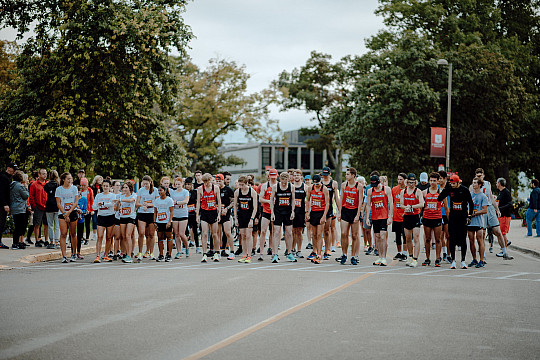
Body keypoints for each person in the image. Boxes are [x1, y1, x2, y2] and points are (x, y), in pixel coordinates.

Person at [473, 168, 513, 259]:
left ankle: (504, 252)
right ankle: (482, 254)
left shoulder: (487, 184)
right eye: (478, 176)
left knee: (498, 231)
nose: (479, 177)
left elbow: (491, 197)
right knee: (482, 233)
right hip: (481, 209)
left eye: (481, 176)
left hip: (490, 208)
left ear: (483, 175)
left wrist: (497, 209)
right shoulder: (473, 185)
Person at [438, 175, 474, 269]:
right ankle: (453, 260)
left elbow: (471, 203)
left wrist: (469, 215)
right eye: (451, 183)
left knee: (463, 240)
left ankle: (463, 260)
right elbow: (439, 198)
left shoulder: (464, 190)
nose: (452, 185)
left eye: (454, 183)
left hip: (463, 218)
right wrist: (446, 189)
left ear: (459, 183)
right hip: (453, 217)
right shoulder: (450, 189)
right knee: (452, 238)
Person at [365, 175, 393, 266]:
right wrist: (367, 218)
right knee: (377, 236)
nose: (375, 186)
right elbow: (368, 205)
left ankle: (384, 257)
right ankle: (380, 257)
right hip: (375, 216)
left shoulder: (386, 189)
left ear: (379, 182)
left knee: (383, 236)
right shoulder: (370, 191)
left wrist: (390, 216)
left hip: (384, 216)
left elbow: (391, 203)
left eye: (376, 184)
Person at [422, 172, 448, 267]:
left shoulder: (441, 193)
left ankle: (437, 258)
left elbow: (446, 207)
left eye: (434, 181)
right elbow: (420, 204)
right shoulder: (425, 192)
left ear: (438, 181)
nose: (432, 182)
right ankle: (428, 258)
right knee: (428, 239)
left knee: (438, 239)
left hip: (437, 218)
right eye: (431, 180)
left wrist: (448, 219)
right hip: (427, 218)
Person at [337, 167, 363, 265]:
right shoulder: (344, 185)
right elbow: (341, 199)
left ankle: (353, 256)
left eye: (348, 174)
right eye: (346, 174)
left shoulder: (359, 186)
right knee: (343, 233)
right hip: (345, 211)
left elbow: (360, 201)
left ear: (353, 175)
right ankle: (344, 254)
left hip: (354, 211)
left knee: (354, 235)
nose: (346, 175)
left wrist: (358, 215)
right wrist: (339, 213)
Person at [270, 172, 296, 263]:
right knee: (276, 232)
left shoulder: (291, 187)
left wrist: (293, 211)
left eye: (286, 181)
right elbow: (271, 200)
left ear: (288, 180)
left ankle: (289, 253)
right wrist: (272, 213)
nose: (284, 183)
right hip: (278, 211)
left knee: (289, 232)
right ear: (280, 179)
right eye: (282, 181)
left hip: (288, 211)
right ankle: (275, 253)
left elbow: (293, 200)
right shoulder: (275, 187)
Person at [400, 173, 424, 267]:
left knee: (416, 237)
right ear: (407, 182)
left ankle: (415, 258)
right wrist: (405, 207)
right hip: (407, 216)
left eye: (413, 182)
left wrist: (412, 206)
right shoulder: (403, 191)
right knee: (408, 238)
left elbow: (422, 204)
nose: (411, 184)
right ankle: (410, 256)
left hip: (415, 216)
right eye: (409, 182)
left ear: (415, 182)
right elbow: (401, 204)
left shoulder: (418, 191)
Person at [55, 172, 81, 263]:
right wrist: (64, 214)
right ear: (63, 179)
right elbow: (58, 203)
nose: (70, 180)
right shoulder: (59, 189)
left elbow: (76, 201)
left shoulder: (74, 188)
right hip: (62, 213)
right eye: (68, 179)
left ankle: (74, 253)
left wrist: (69, 212)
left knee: (73, 233)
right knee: (63, 233)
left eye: (71, 178)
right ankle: (64, 255)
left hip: (72, 212)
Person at [196, 173, 221, 262]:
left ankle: (217, 253)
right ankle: (204, 253)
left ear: (211, 180)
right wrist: (197, 215)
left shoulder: (216, 188)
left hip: (213, 212)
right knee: (205, 233)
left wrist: (219, 214)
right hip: (204, 212)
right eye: (205, 182)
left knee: (214, 234)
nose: (206, 183)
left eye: (208, 181)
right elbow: (198, 203)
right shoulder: (200, 189)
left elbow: (219, 202)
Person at [233, 175, 258, 263]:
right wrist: (235, 218)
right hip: (241, 215)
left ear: (247, 183)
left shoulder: (252, 192)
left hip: (249, 215)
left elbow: (255, 207)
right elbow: (235, 205)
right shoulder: (237, 192)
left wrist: (252, 219)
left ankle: (249, 255)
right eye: (240, 185)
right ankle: (244, 254)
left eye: (243, 185)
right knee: (242, 235)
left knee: (248, 235)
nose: (241, 187)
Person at [306, 174, 329, 264]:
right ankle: (315, 252)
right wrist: (307, 212)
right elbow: (307, 200)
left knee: (319, 234)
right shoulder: (310, 188)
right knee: (314, 234)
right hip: (313, 212)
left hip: (321, 212)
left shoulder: (324, 189)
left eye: (318, 184)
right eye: (315, 184)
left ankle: (319, 255)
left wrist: (324, 216)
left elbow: (327, 203)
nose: (317, 186)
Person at [92, 179, 116, 263]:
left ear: (110, 187)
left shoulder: (112, 196)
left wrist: (103, 204)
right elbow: (94, 207)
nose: (105, 187)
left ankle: (106, 255)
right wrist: (98, 205)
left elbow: (112, 204)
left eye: (107, 186)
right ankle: (98, 255)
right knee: (100, 236)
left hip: (110, 217)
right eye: (104, 186)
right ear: (102, 186)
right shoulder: (98, 196)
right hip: (101, 217)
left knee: (109, 237)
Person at [467, 177, 489, 268]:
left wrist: (475, 213)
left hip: (479, 222)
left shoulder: (483, 196)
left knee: (480, 240)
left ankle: (481, 260)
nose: (474, 184)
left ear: (480, 184)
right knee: (471, 241)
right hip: (470, 222)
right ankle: (474, 259)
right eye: (473, 182)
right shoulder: (469, 195)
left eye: (475, 182)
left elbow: (485, 210)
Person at [136, 175, 158, 260]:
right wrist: (142, 205)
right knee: (141, 233)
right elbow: (137, 203)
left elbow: (157, 203)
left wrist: (149, 205)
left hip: (151, 213)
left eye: (146, 184)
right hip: (142, 213)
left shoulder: (155, 190)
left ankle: (151, 253)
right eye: (143, 184)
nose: (145, 185)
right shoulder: (141, 190)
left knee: (151, 234)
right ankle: (140, 252)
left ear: (150, 182)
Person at [258, 169, 278, 258]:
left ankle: (274, 252)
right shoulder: (265, 186)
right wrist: (269, 201)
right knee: (263, 231)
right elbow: (260, 199)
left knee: (274, 232)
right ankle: (261, 252)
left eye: (274, 177)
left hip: (276, 211)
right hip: (266, 211)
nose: (273, 179)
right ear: (268, 176)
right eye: (271, 177)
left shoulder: (279, 186)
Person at [321, 167, 340, 258]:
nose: (325, 177)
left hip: (329, 209)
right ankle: (317, 251)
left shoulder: (333, 183)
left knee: (327, 230)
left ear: (330, 174)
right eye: (323, 175)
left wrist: (340, 211)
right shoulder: (319, 183)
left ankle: (327, 250)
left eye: (326, 175)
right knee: (318, 231)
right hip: (319, 209)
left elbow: (336, 197)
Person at [216, 173, 235, 259]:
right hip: (217, 213)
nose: (218, 182)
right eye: (217, 181)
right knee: (217, 233)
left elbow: (234, 202)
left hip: (225, 213)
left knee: (227, 232)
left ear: (223, 180)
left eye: (220, 181)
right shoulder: (214, 190)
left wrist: (227, 208)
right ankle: (218, 251)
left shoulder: (228, 190)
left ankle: (232, 251)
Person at [28, 168, 49, 247]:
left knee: (46, 224)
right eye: (43, 173)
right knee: (37, 224)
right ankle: (37, 240)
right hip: (38, 207)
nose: (45, 175)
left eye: (46, 173)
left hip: (47, 207)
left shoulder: (48, 184)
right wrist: (34, 206)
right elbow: (31, 196)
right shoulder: (34, 184)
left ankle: (46, 240)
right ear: (39, 175)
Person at [154, 185, 175, 262]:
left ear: (165, 191)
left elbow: (172, 211)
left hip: (167, 221)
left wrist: (169, 221)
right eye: (158, 191)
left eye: (161, 190)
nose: (159, 192)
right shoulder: (157, 201)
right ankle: (161, 254)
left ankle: (169, 254)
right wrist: (154, 222)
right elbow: (155, 212)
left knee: (169, 237)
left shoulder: (169, 200)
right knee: (160, 238)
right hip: (159, 221)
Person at [170, 177, 190, 259]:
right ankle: (179, 251)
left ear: (182, 184)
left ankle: (186, 247)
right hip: (175, 214)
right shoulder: (173, 193)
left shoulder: (185, 192)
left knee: (182, 233)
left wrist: (177, 202)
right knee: (176, 234)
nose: (178, 185)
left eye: (179, 184)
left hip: (183, 214)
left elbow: (186, 201)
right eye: (176, 184)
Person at [0, 163, 18, 249]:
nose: (14, 171)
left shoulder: (9, 178)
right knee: (1, 223)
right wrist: (5, 204)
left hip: (5, 204)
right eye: (13, 169)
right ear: (8, 168)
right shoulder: (3, 177)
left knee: (2, 223)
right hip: (2, 205)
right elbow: (2, 192)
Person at [10, 170, 29, 250]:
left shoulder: (12, 185)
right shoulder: (20, 186)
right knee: (19, 226)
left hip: (14, 207)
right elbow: (25, 196)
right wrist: (26, 188)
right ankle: (16, 243)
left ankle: (16, 242)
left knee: (17, 226)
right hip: (20, 208)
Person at [119, 181, 137, 263]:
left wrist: (120, 200)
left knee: (128, 235)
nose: (125, 189)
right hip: (123, 217)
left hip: (131, 217)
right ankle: (126, 253)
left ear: (130, 188)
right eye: (124, 188)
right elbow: (117, 206)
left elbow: (130, 201)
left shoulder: (134, 195)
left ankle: (129, 255)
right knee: (123, 236)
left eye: (126, 187)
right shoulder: (121, 196)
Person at [391, 173, 407, 261]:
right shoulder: (394, 189)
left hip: (404, 216)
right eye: (398, 179)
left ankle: (405, 253)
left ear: (405, 180)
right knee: (397, 236)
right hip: (396, 216)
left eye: (401, 179)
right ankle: (399, 252)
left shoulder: (407, 190)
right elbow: (392, 201)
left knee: (405, 236)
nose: (399, 181)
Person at [292, 169, 307, 258]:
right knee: (293, 231)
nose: (296, 176)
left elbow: (308, 200)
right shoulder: (291, 186)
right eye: (295, 175)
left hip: (301, 212)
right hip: (292, 212)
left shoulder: (305, 187)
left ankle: (299, 250)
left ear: (301, 176)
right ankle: (292, 249)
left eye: (298, 175)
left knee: (299, 232)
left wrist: (307, 212)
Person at [44, 170, 60, 249]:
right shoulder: (58, 185)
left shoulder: (47, 185)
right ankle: (57, 241)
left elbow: (46, 191)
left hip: (49, 204)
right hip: (57, 204)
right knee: (57, 225)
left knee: (50, 225)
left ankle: (51, 241)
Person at [496, 178, 513, 251]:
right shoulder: (500, 192)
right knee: (498, 232)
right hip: (500, 215)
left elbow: (510, 204)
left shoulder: (506, 192)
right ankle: (504, 247)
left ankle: (505, 250)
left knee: (503, 233)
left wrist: (500, 208)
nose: (496, 184)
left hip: (505, 216)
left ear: (499, 183)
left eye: (497, 183)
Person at [438, 170, 451, 262]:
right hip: (439, 214)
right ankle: (444, 253)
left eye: (440, 179)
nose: (439, 181)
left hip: (448, 213)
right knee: (440, 236)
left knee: (449, 235)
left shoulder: (450, 188)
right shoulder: (437, 188)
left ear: (445, 179)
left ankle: (449, 254)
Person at [185, 177, 200, 253]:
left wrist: (197, 211)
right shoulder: (183, 192)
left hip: (193, 213)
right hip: (185, 213)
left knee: (195, 230)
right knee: (185, 231)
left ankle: (197, 247)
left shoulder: (194, 192)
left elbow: (197, 201)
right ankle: (184, 247)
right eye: (186, 184)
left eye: (189, 184)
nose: (187, 186)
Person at [79, 178, 94, 245]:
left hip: (88, 209)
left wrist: (92, 210)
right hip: (81, 210)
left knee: (87, 224)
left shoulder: (89, 190)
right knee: (81, 224)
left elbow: (92, 200)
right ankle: (81, 238)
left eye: (85, 185)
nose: (83, 187)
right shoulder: (80, 191)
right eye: (82, 185)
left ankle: (87, 238)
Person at [90, 175, 103, 240]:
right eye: (99, 180)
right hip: (94, 205)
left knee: (99, 220)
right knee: (94, 220)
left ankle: (99, 234)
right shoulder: (92, 187)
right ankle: (94, 234)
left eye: (101, 180)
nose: (100, 181)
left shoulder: (102, 188)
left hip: (101, 206)